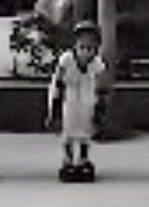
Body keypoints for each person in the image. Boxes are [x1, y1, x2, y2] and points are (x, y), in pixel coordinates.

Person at [46, 20, 110, 182]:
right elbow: (59, 80)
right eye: (82, 47)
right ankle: (67, 158)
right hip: (69, 94)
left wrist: (101, 108)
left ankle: (83, 158)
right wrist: (55, 105)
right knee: (68, 127)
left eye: (90, 48)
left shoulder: (96, 63)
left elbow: (102, 84)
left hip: (87, 94)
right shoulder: (66, 59)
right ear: (75, 45)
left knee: (85, 128)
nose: (86, 53)